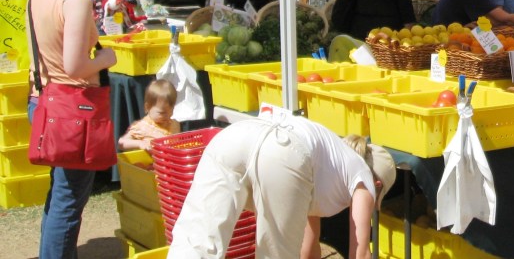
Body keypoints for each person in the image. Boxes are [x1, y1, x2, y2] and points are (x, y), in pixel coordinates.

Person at [167, 111, 396, 259]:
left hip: (235, 136)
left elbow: (309, 246)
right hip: (282, 150)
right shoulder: (364, 176)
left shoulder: (328, 163)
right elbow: (361, 253)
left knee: (195, 242)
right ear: (378, 183)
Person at [26, 0, 117, 259]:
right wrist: (107, 58)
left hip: (44, 100)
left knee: (60, 195)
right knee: (68, 201)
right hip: (72, 111)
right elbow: (75, 66)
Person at [118, 79, 181, 153]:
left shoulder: (174, 124)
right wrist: (139, 143)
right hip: (150, 163)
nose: (167, 116)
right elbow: (121, 143)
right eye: (162, 113)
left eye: (171, 110)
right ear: (147, 107)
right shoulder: (142, 126)